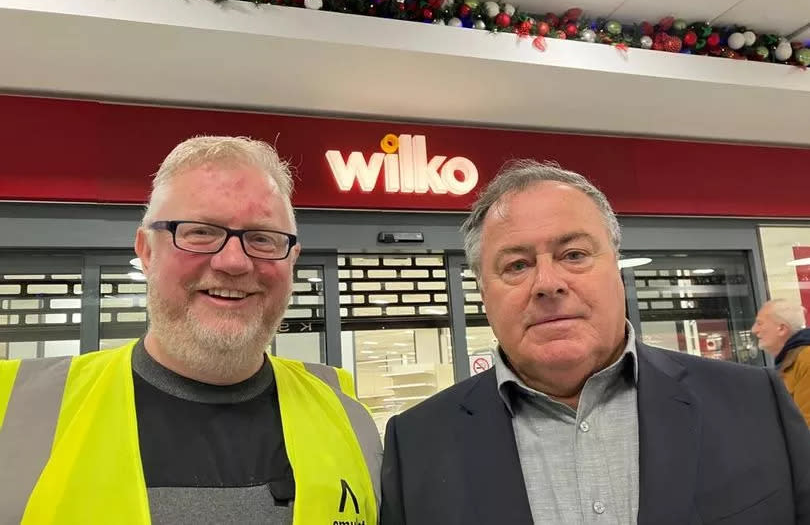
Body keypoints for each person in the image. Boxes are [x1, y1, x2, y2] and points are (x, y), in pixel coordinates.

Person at [380, 159, 810, 525]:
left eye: (574, 255)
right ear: (483, 292)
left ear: (617, 270)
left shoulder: (755, 403)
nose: (548, 283)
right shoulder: (416, 445)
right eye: (516, 265)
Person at [0, 136, 381, 524]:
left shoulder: (352, 422)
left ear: (292, 260)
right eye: (200, 232)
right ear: (146, 250)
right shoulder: (15, 408)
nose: (234, 262)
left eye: (263, 238)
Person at [752, 299, 810, 426]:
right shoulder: (789, 361)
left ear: (782, 328)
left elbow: (805, 426)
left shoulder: (806, 359)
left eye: (759, 323)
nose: (754, 330)